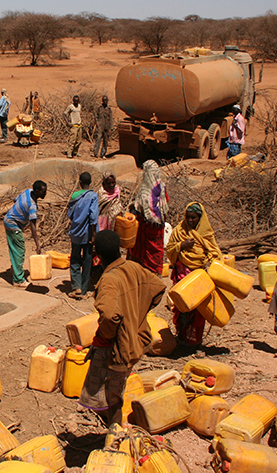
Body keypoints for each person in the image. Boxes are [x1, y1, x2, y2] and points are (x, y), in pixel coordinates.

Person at [79, 230, 166, 426]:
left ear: (97, 254)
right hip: (137, 339)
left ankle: (115, 438)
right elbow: (158, 288)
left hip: (118, 347)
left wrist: (108, 335)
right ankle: (113, 427)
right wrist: (137, 313)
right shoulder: (134, 267)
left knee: (112, 396)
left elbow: (110, 316)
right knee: (116, 389)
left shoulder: (109, 280)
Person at [166, 202, 223, 345]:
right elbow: (170, 250)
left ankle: (194, 340)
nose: (190, 221)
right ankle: (181, 336)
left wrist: (209, 262)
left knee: (198, 310)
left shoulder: (206, 234)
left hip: (199, 276)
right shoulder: (179, 231)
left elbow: (215, 253)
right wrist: (181, 246)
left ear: (200, 218)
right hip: (182, 275)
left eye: (194, 218)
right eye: (188, 217)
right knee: (182, 306)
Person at [128, 160, 169, 274]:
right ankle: (156, 272)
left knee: (144, 251)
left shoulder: (143, 191)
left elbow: (137, 209)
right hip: (159, 226)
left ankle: (145, 273)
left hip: (146, 227)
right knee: (156, 250)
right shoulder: (162, 186)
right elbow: (166, 201)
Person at [3, 181, 47, 288]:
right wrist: (38, 245)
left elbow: (15, 200)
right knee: (19, 249)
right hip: (13, 224)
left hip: (9, 219)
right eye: (43, 191)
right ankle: (18, 280)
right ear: (37, 191)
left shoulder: (28, 191)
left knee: (14, 248)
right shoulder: (31, 206)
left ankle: (16, 269)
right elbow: (33, 226)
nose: (45, 193)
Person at [67, 172, 99, 299]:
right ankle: (84, 289)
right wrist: (94, 234)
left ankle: (76, 286)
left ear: (80, 182)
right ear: (90, 182)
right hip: (88, 234)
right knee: (87, 260)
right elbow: (93, 216)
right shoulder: (93, 196)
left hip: (76, 232)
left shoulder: (75, 195)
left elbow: (70, 214)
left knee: (75, 258)